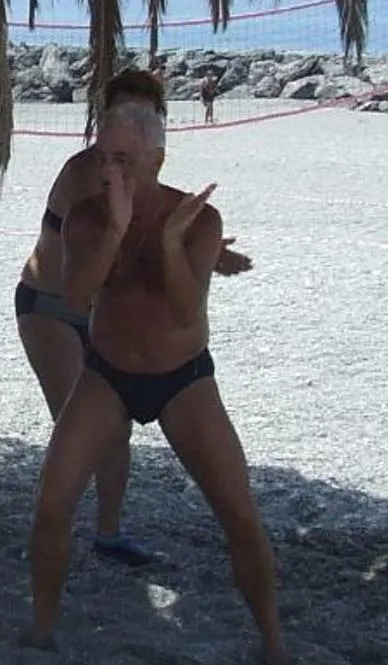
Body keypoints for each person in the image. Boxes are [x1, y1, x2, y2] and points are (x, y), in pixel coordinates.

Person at [24, 101, 285, 665]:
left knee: (238, 512)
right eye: (102, 156)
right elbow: (75, 296)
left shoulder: (198, 220)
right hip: (108, 372)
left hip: (182, 377)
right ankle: (41, 631)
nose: (110, 170)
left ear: (157, 159)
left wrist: (169, 243)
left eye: (124, 158)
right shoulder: (88, 217)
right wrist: (117, 229)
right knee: (52, 504)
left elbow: (188, 312)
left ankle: (272, 638)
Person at [14, 67, 250, 569]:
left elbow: (146, 243)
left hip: (104, 316)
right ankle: (69, 533)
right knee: (91, 432)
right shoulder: (90, 173)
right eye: (120, 111)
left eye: (143, 113)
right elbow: (107, 254)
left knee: (114, 428)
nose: (129, 119)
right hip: (51, 306)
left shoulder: (142, 173)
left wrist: (203, 251)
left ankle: (108, 531)